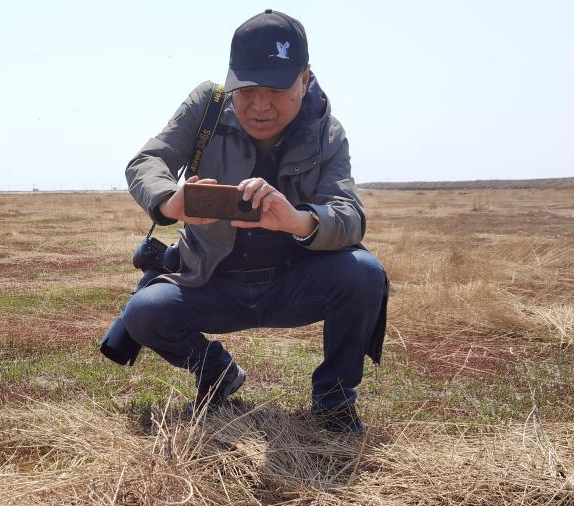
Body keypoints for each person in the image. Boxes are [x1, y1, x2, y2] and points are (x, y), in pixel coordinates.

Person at [116, 9, 388, 435]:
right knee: (145, 312)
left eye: (276, 88)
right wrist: (172, 202)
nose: (260, 105)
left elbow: (350, 215)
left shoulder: (327, 132)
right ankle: (217, 372)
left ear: (304, 77)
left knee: (364, 275)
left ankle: (334, 403)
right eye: (246, 88)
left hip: (292, 282)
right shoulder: (206, 106)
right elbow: (147, 162)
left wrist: (297, 220)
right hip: (211, 281)